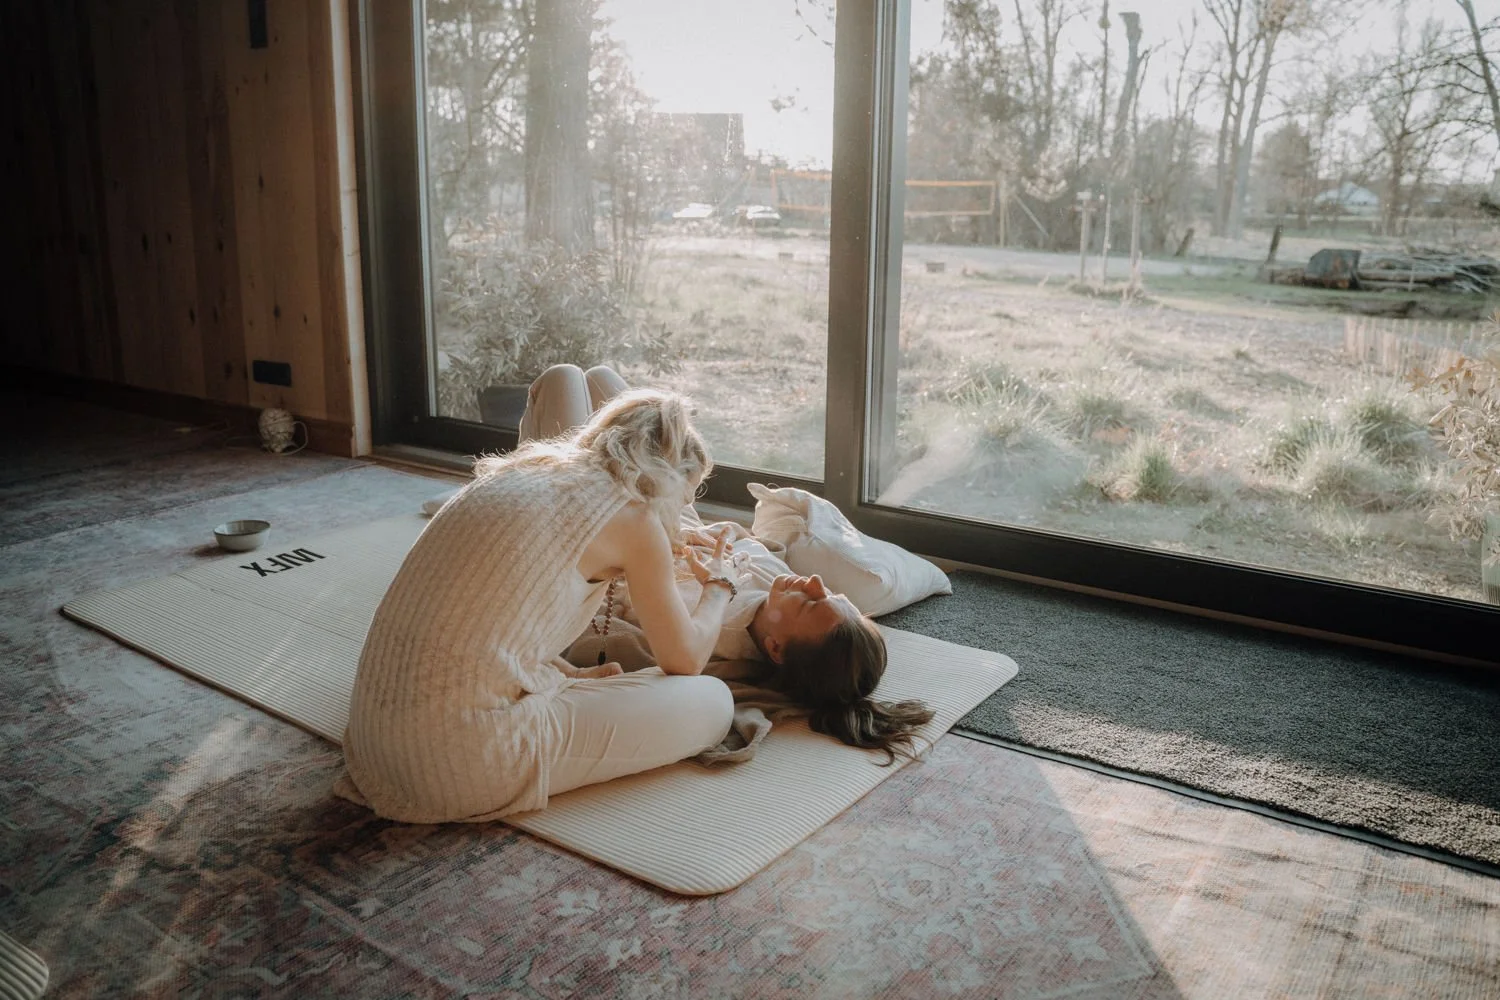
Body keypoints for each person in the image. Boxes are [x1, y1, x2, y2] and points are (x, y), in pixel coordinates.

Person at [335, 370, 744, 824]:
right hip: (449, 765)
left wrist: (568, 672)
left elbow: (492, 614)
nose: (681, 515)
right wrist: (719, 586)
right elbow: (686, 659)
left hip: (373, 737)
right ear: (667, 480)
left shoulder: (525, 471)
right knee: (712, 700)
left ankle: (555, 688)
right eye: (685, 498)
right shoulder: (636, 519)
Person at [546, 367, 935, 764]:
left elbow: (618, 594)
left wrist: (669, 543)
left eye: (810, 603)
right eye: (832, 593)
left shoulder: (715, 636)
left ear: (776, 648)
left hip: (616, 522)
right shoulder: (780, 586)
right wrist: (706, 534)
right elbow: (741, 537)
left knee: (562, 380)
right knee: (606, 382)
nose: (815, 582)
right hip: (671, 508)